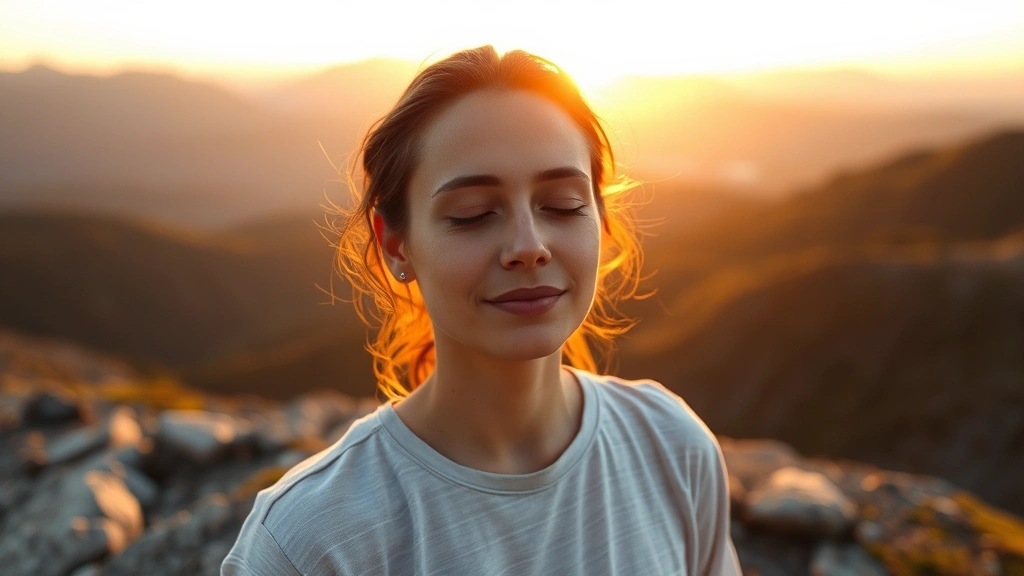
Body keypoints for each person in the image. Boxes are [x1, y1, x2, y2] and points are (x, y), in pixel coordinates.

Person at [222, 45, 741, 575]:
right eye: (472, 215)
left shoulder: (672, 447)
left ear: (601, 220)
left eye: (563, 204)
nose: (528, 245)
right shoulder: (310, 541)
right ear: (396, 245)